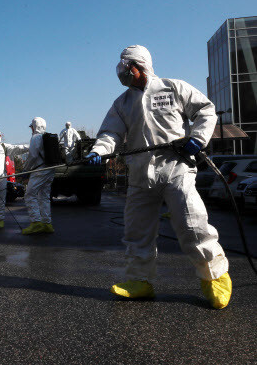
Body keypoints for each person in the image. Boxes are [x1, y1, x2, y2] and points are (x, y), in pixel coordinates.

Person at [87, 45, 231, 309]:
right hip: (140, 173)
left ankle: (215, 276)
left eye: (126, 65)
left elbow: (205, 110)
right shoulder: (122, 103)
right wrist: (99, 150)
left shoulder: (172, 88)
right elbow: (111, 133)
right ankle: (139, 281)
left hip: (176, 169)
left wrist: (198, 139)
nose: (122, 71)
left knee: (193, 225)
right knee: (136, 229)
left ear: (139, 65)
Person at [22, 117, 55, 235]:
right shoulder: (47, 137)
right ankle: (47, 224)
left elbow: (33, 156)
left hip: (40, 170)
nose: (31, 129)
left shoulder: (36, 138)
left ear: (34, 127)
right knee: (44, 196)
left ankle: (36, 223)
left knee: (30, 195)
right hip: (50, 169)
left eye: (31, 127)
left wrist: (26, 170)